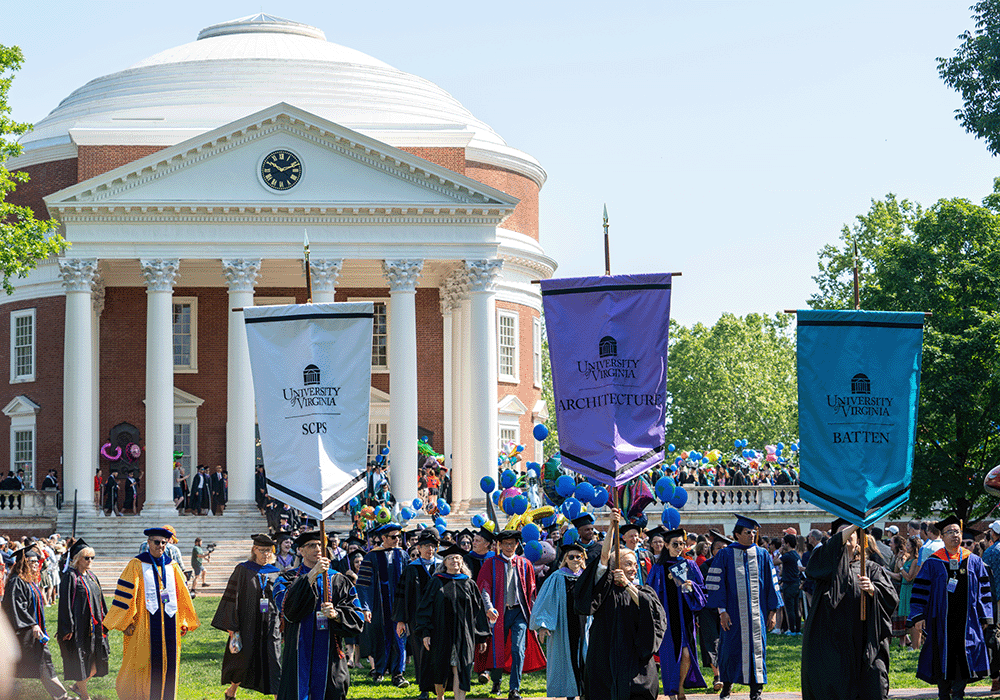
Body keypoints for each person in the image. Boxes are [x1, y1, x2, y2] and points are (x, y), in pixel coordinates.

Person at [574, 508, 666, 700]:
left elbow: (650, 610)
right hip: (605, 654)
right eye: (627, 564)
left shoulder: (644, 591)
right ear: (616, 567)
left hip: (634, 658)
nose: (633, 569)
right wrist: (611, 528)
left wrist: (628, 585)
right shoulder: (604, 590)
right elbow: (604, 558)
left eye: (634, 564)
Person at [800, 519, 898, 700]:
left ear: (859, 540)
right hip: (833, 641)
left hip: (865, 639)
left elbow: (891, 598)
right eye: (840, 533)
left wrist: (872, 590)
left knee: (872, 685)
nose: (845, 536)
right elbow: (812, 568)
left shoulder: (872, 569)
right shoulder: (826, 567)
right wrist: (854, 523)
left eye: (850, 532)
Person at [103, 527, 200, 700]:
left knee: (168, 667)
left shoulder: (173, 566)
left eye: (164, 542)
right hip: (144, 626)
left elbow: (182, 596)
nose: (160, 546)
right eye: (156, 542)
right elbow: (126, 595)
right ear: (148, 542)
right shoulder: (136, 564)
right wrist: (125, 623)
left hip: (170, 627)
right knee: (143, 664)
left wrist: (183, 621)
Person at [908, 515, 994, 700]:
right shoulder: (933, 562)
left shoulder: (974, 561)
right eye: (950, 532)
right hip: (940, 622)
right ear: (943, 536)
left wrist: (985, 617)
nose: (955, 535)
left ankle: (959, 695)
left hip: (967, 622)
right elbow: (920, 590)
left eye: (957, 531)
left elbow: (985, 591)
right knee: (941, 658)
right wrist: (917, 616)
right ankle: (943, 694)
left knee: (964, 657)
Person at [273, 530, 365, 700]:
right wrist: (311, 575)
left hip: (331, 654)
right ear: (300, 550)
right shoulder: (286, 579)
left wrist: (337, 615)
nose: (317, 549)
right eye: (311, 545)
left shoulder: (339, 580)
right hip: (298, 653)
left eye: (320, 545)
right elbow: (288, 611)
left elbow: (358, 620)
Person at [705, 514, 783, 700]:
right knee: (730, 651)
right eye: (748, 532)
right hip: (733, 614)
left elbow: (772, 585)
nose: (752, 535)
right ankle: (727, 688)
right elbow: (717, 585)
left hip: (758, 616)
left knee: (758, 651)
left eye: (754, 532)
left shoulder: (762, 554)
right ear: (737, 534)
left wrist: (772, 612)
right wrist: (722, 612)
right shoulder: (725, 554)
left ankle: (756, 692)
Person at [415, 543, 491, 700]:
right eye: (450, 558)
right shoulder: (437, 582)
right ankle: (440, 697)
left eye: (457, 558)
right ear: (444, 562)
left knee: (461, 668)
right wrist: (426, 632)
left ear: (462, 562)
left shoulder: (469, 583)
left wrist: (481, 636)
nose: (454, 561)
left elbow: (478, 612)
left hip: (464, 634)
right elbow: (425, 608)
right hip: (440, 633)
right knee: (440, 668)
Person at [477, 529, 546, 700]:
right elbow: (484, 587)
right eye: (505, 544)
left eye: (512, 543)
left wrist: (536, 616)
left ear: (517, 544)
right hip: (498, 613)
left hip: (519, 612)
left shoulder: (525, 564)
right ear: (499, 545)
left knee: (518, 649)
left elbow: (531, 592)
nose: (509, 547)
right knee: (497, 649)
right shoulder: (490, 563)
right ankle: (496, 681)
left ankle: (514, 688)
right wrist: (488, 607)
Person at [211, 534, 281, 699]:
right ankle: (231, 691)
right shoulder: (243, 570)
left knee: (274, 660)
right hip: (247, 623)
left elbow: (281, 600)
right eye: (262, 550)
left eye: (269, 551)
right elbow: (231, 597)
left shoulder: (276, 573)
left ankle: (279, 696)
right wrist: (231, 627)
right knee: (243, 660)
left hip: (271, 624)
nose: (266, 554)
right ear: (254, 550)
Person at [2, 544, 73, 699]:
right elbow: (16, 608)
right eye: (32, 561)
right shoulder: (16, 581)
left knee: (41, 664)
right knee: (29, 666)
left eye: (37, 561)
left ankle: (62, 696)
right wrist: (32, 624)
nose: (36, 563)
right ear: (23, 563)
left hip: (33, 632)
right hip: (24, 632)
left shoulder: (29, 581)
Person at [648, 527, 707, 700]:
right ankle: (673, 692)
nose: (679, 547)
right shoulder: (659, 568)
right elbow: (651, 593)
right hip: (667, 618)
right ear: (666, 545)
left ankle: (680, 687)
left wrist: (691, 586)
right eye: (675, 544)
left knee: (687, 654)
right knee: (670, 656)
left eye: (682, 543)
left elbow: (703, 591)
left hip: (686, 617)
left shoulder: (690, 565)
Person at [529, 541, 590, 700]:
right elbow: (546, 601)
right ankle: (570, 694)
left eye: (579, 557)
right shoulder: (557, 577)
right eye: (571, 557)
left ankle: (585, 692)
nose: (575, 560)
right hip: (565, 625)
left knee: (586, 657)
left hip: (585, 624)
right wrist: (543, 625)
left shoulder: (586, 577)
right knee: (567, 658)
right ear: (565, 559)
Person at [356, 522, 409, 687]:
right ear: (383, 538)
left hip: (399, 604)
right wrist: (365, 607)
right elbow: (363, 583)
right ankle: (379, 670)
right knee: (380, 638)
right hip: (379, 605)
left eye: (399, 536)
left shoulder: (403, 555)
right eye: (393, 537)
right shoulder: (371, 556)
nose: (397, 540)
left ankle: (398, 674)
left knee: (400, 637)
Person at [57, 539, 109, 700]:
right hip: (79, 627)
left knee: (99, 659)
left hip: (95, 626)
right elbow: (65, 603)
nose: (90, 561)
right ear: (77, 558)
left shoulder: (92, 576)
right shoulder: (70, 577)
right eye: (87, 558)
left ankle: (77, 686)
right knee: (81, 661)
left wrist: (106, 621)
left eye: (92, 557)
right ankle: (85, 696)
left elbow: (101, 600)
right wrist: (67, 628)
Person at [393, 529, 441, 699]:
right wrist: (401, 620)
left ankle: (439, 686)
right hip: (417, 619)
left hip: (439, 616)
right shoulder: (411, 569)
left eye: (433, 546)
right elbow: (402, 596)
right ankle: (424, 688)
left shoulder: (442, 566)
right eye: (426, 546)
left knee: (438, 652)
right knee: (421, 652)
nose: (429, 549)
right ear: (419, 548)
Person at [699, 531, 731, 691]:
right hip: (708, 610)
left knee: (726, 641)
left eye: (724, 547)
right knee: (712, 642)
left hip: (727, 610)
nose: (721, 550)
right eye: (718, 548)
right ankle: (717, 676)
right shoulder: (705, 566)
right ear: (712, 550)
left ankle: (726, 674)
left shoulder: (732, 566)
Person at [778, 533, 804, 636]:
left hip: (788, 584)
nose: (782, 545)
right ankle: (797, 629)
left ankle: (792, 630)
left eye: (783, 543)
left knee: (790, 608)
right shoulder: (796, 554)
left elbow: (775, 562)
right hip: (796, 583)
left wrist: (779, 553)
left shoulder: (787, 555)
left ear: (787, 544)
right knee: (796, 608)